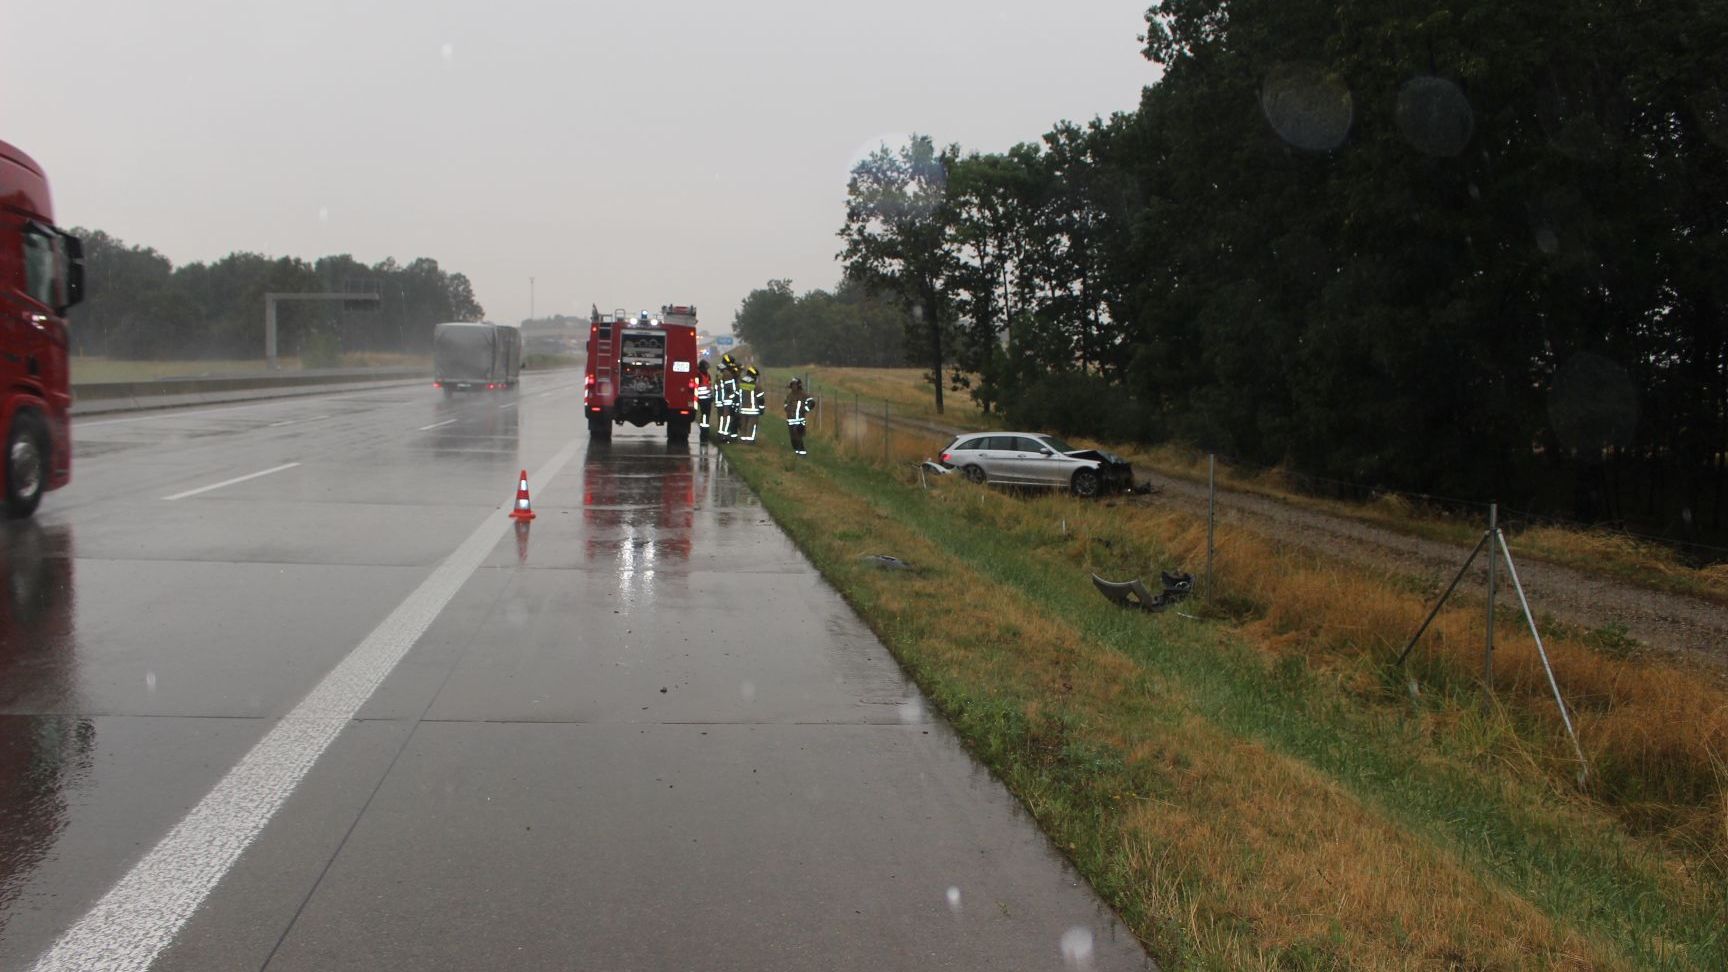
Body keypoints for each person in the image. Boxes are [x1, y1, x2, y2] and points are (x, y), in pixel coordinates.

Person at [784, 378, 815, 455]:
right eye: (792, 385)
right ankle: (797, 452)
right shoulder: (789, 395)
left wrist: (805, 409)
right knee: (793, 438)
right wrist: (787, 408)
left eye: (795, 385)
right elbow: (785, 403)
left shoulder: (803, 395)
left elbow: (812, 402)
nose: (793, 387)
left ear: (798, 385)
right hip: (790, 420)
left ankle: (802, 453)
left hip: (800, 420)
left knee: (798, 436)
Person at [714, 355, 740, 441]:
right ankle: (724, 436)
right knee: (726, 418)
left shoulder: (719, 372)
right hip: (727, 400)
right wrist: (733, 397)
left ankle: (720, 434)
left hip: (719, 399)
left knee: (721, 418)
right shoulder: (727, 374)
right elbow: (729, 388)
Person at [738, 365, 762, 443]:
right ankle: (750, 440)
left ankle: (743, 439)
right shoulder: (756, 385)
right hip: (753, 410)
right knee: (751, 425)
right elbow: (760, 398)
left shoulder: (741, 383)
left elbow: (737, 395)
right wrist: (762, 408)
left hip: (742, 409)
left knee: (743, 425)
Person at [694, 358, 713, 442]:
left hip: (707, 399)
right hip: (702, 399)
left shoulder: (707, 375)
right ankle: (704, 433)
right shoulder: (698, 375)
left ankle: (705, 432)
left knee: (706, 415)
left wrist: (711, 396)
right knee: (705, 416)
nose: (707, 369)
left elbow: (709, 386)